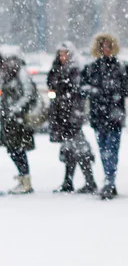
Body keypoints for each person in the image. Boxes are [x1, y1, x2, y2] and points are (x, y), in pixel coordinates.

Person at [81, 33, 128, 200]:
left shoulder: (121, 66)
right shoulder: (91, 67)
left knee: (112, 150)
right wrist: (95, 92)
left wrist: (118, 91)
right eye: (102, 46)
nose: (105, 50)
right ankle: (108, 179)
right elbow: (81, 87)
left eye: (108, 46)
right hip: (98, 115)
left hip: (114, 115)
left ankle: (109, 180)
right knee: (103, 149)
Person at [48, 42, 96, 194]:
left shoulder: (75, 71)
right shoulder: (57, 69)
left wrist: (73, 112)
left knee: (79, 148)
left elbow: (76, 93)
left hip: (71, 115)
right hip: (61, 114)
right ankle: (69, 181)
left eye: (65, 54)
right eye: (60, 54)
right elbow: (53, 87)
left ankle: (88, 181)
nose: (62, 57)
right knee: (69, 149)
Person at [0, 46, 36, 194]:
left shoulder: (20, 73)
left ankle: (25, 181)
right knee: (13, 149)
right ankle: (23, 179)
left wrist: (14, 110)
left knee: (17, 149)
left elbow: (28, 94)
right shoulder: (5, 74)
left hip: (17, 119)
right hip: (7, 119)